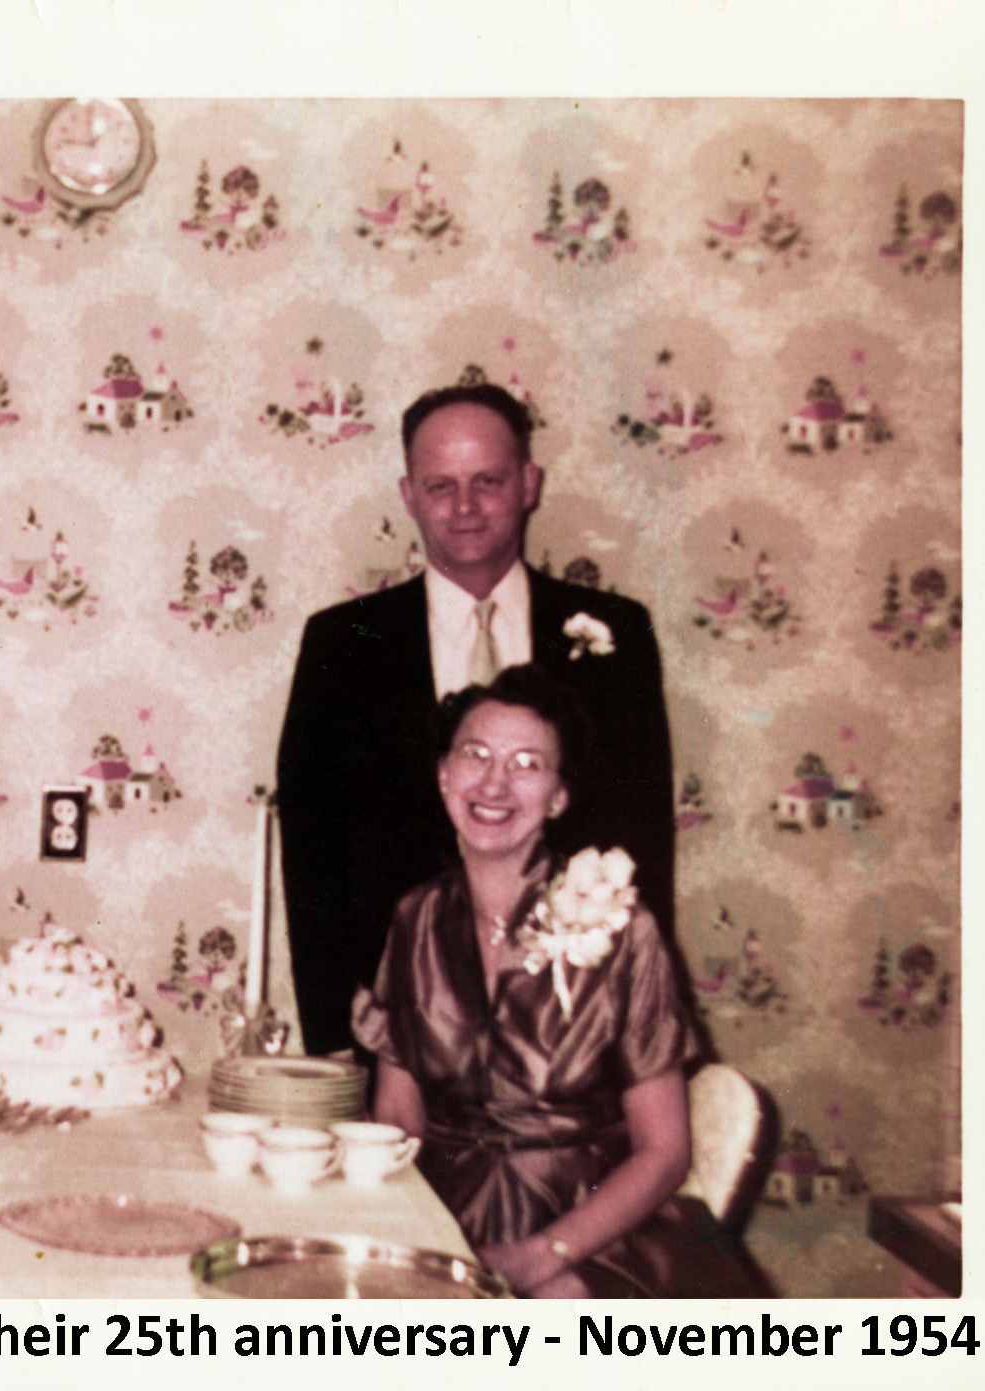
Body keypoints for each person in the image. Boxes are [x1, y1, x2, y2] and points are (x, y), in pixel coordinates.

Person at [277, 381, 675, 1057]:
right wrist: (336, 1042)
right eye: (440, 486)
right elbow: (311, 856)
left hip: (573, 1030)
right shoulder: (343, 644)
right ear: (409, 496)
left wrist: (631, 1024)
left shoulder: (617, 636)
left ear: (527, 483)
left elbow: (641, 838)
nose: (463, 507)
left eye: (486, 480)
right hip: (396, 1031)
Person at [353, 666, 736, 1298]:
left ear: (559, 796)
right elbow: (398, 1116)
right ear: (444, 773)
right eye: (475, 755)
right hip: (445, 1223)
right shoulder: (414, 918)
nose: (494, 783)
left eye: (527, 764)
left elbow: (665, 1152)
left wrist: (542, 1255)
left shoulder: (622, 929)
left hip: (590, 1233)